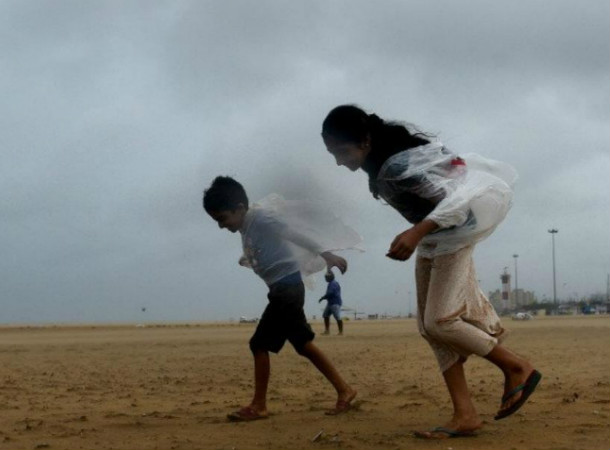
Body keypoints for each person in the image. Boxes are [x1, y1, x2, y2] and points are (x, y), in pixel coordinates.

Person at [321, 104, 541, 439]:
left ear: (365, 140)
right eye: (332, 153)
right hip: (433, 241)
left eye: (341, 150)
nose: (338, 160)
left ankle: (517, 367)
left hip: (452, 239)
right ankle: (465, 414)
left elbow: (458, 204)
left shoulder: (398, 167)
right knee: (428, 327)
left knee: (440, 321)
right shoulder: (382, 164)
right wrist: (421, 234)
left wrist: (416, 231)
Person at [202, 176, 358, 421]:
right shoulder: (247, 227)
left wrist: (327, 255)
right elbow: (265, 250)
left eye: (222, 218)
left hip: (287, 290)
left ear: (240, 208)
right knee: (302, 344)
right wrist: (250, 259)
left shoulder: (260, 218)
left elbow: (293, 234)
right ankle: (344, 390)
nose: (222, 226)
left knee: (259, 344)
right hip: (283, 289)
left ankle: (259, 405)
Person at [318, 270, 344, 335]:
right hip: (330, 303)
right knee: (325, 315)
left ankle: (341, 331)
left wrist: (323, 297)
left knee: (337, 317)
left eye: (326, 277)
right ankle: (327, 331)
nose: (326, 279)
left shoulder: (333, 283)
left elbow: (330, 293)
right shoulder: (332, 283)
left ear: (330, 277)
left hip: (335, 303)